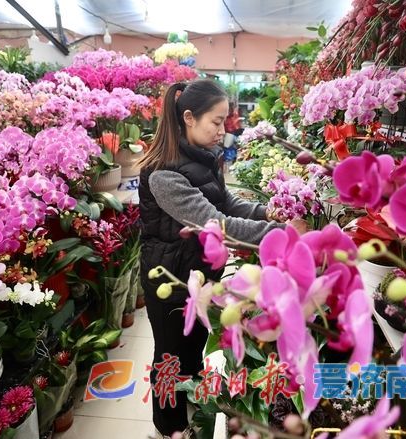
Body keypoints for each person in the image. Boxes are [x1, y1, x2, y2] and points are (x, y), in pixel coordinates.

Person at [137, 79, 305, 438]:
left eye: (224, 121)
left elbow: (225, 203)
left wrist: (267, 213)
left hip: (198, 270)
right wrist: (278, 235)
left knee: (195, 343)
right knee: (170, 353)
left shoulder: (202, 157)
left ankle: (192, 401)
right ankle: (168, 427)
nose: (222, 129)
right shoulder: (163, 173)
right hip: (168, 273)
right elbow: (216, 224)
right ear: (188, 118)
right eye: (216, 121)